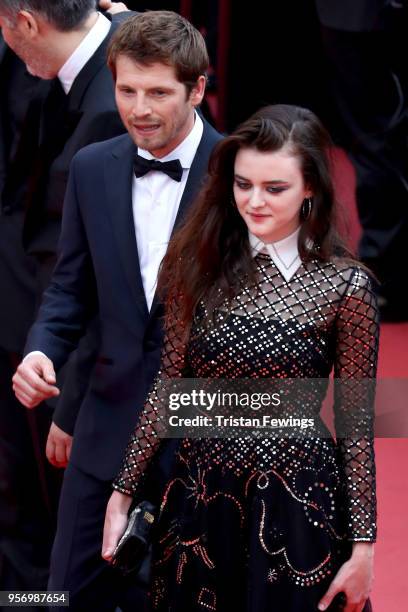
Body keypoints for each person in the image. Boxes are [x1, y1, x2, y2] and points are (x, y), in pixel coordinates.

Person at [103, 104, 378, 612]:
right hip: (201, 498)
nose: (254, 201)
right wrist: (122, 494)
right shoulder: (197, 265)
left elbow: (356, 423)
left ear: (311, 188)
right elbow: (169, 390)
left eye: (275, 188)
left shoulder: (346, 287)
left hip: (298, 507)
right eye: (243, 184)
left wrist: (364, 547)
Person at [12, 11, 221, 611]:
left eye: (158, 92)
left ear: (198, 88)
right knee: (65, 597)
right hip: (104, 430)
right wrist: (41, 349)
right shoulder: (92, 168)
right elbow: (71, 290)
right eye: (127, 90)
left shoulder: (241, 177)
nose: (140, 109)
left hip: (200, 444)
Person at [315, 0, 408, 321]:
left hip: (362, 16)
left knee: (377, 138)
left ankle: (386, 274)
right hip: (357, 15)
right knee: (376, 137)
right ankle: (386, 273)